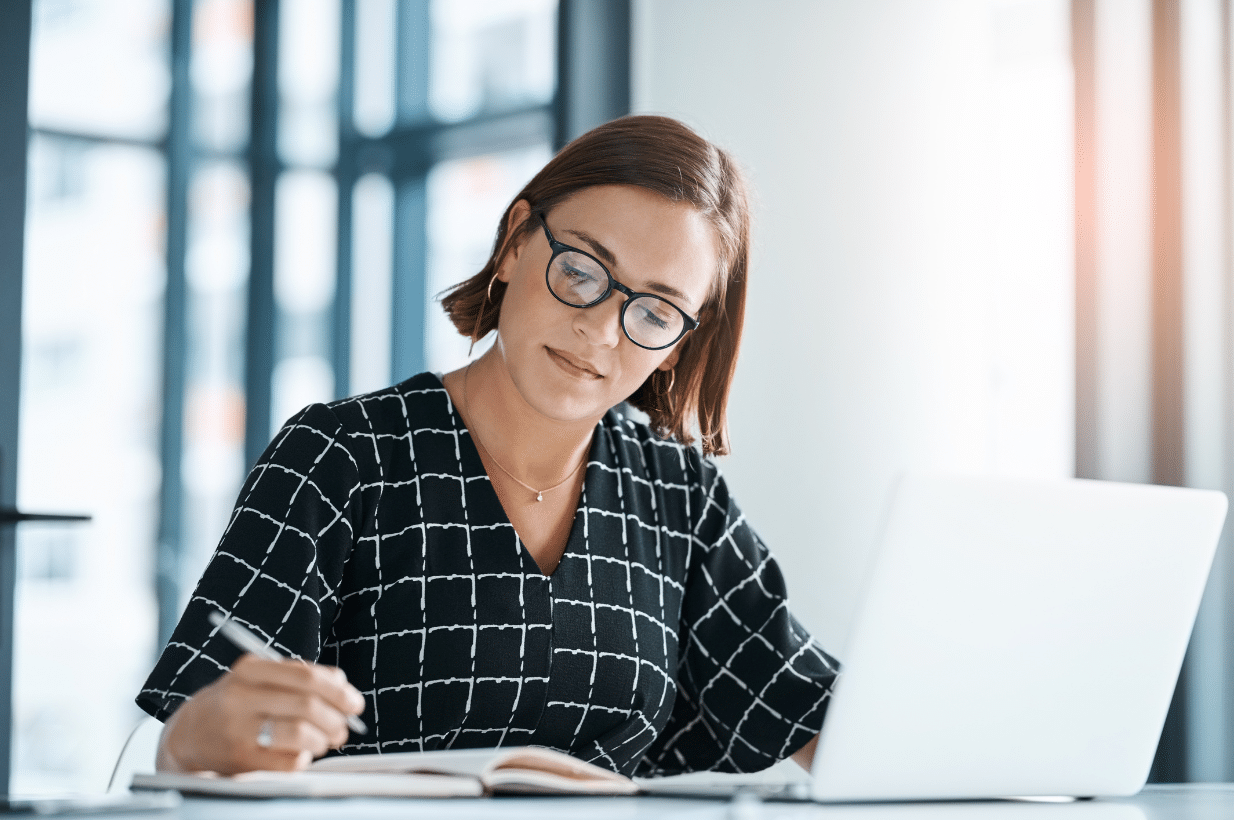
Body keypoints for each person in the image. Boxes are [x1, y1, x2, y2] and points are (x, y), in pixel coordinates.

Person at [138, 115, 839, 778]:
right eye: (583, 272)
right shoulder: (342, 457)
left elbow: (822, 715)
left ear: (679, 342)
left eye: (654, 311)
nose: (601, 329)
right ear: (514, 243)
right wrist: (202, 732)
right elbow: (189, 741)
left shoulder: (677, 496)